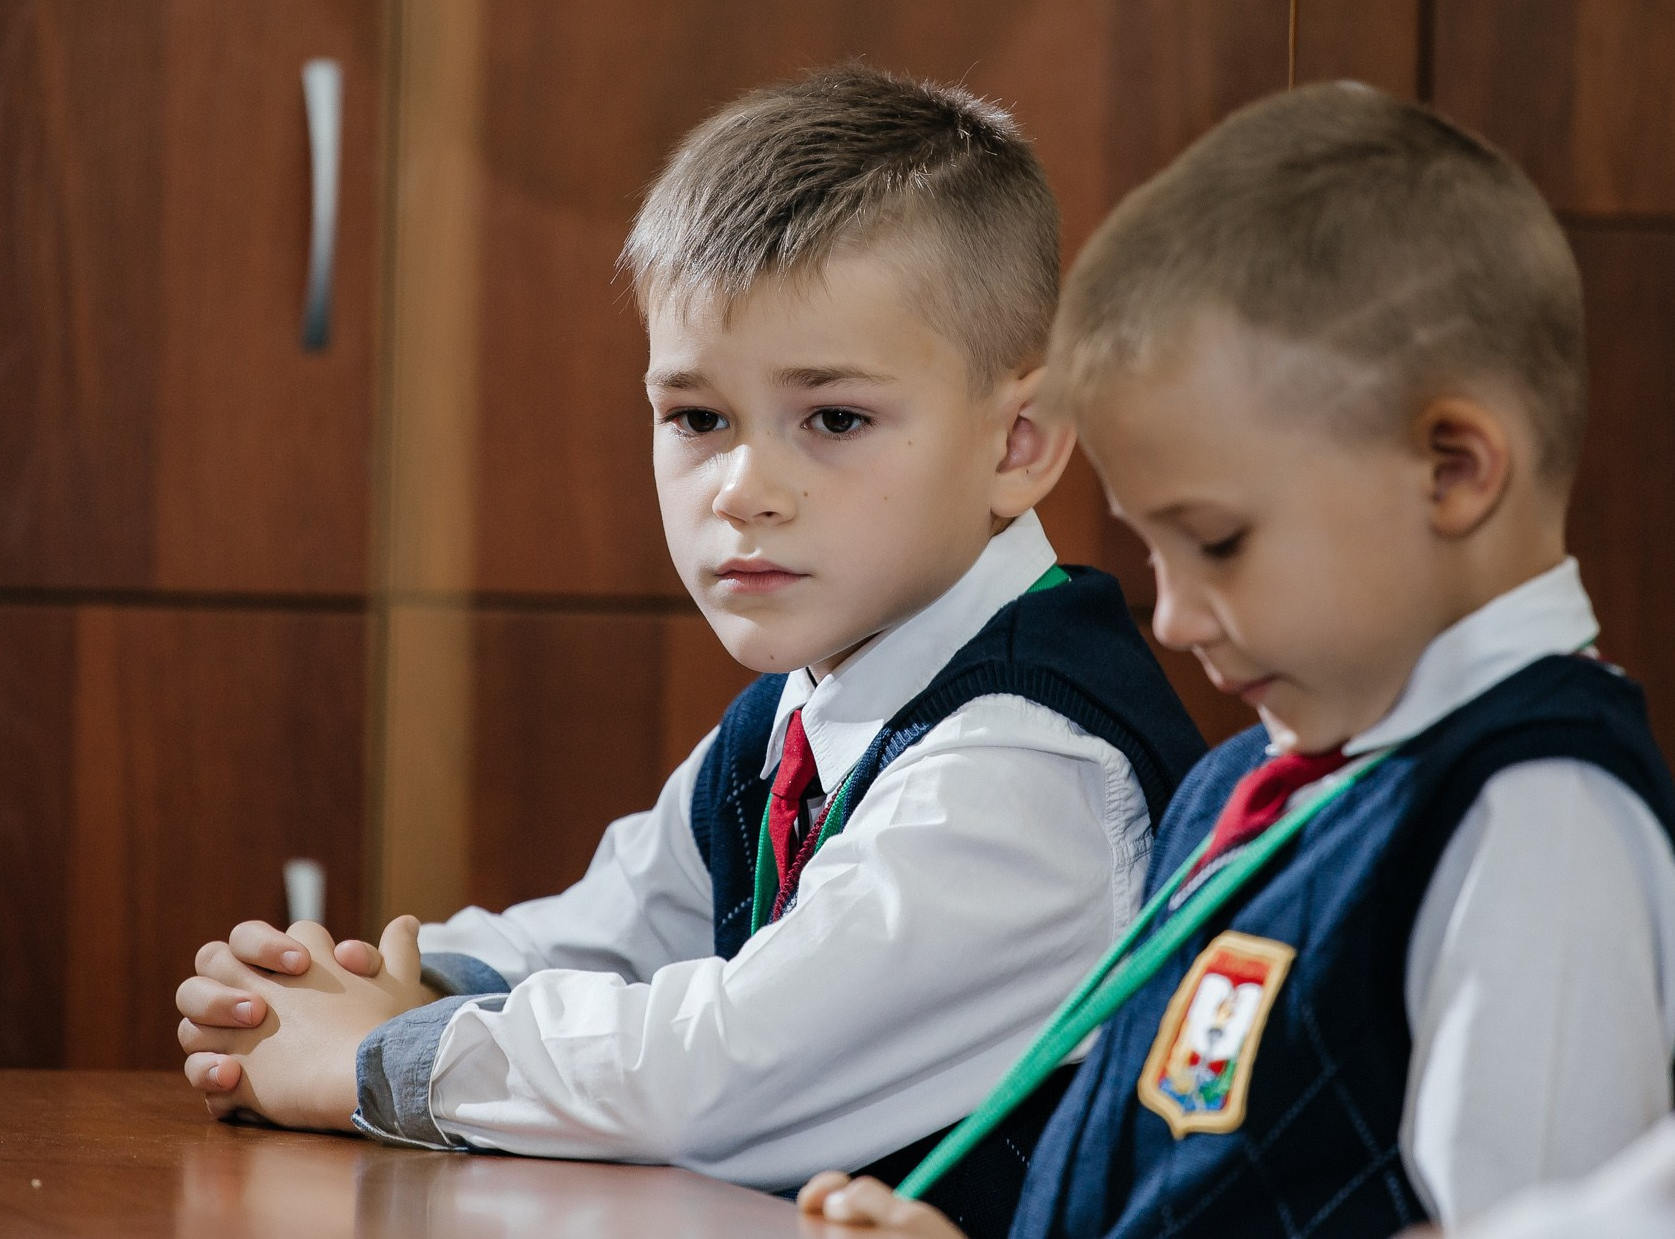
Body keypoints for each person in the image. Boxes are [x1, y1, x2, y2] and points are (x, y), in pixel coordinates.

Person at [170, 65, 1205, 1234]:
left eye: (834, 418)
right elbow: (613, 932)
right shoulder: (798, 714)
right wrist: (353, 990)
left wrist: (385, 1056)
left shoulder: (1025, 763)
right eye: (697, 418)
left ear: (1018, 442)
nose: (743, 490)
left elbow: (725, 1072)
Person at [800, 81, 1675, 1238]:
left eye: (1217, 541)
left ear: (1452, 471)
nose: (1171, 617)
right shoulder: (1241, 784)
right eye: (1151, 550)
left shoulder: (1535, 810)